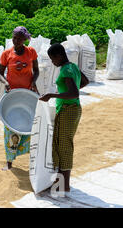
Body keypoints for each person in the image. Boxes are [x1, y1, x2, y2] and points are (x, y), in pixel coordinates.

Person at [39, 43, 89, 195]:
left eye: (52, 59)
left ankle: (65, 184)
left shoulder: (66, 70)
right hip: (72, 109)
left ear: (59, 56)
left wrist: (53, 95)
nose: (53, 63)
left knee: (64, 146)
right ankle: (60, 181)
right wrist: (64, 91)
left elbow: (74, 93)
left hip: (68, 110)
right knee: (62, 143)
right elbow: (85, 81)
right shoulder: (72, 66)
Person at [0, 26, 39, 171]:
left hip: (26, 94)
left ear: (24, 40)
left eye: (19, 38)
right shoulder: (6, 54)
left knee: (29, 125)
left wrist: (34, 82)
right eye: (14, 37)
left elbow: (36, 70)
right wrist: (6, 82)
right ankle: (9, 162)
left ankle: (30, 158)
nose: (15, 41)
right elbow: (0, 74)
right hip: (12, 95)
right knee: (10, 129)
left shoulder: (31, 52)